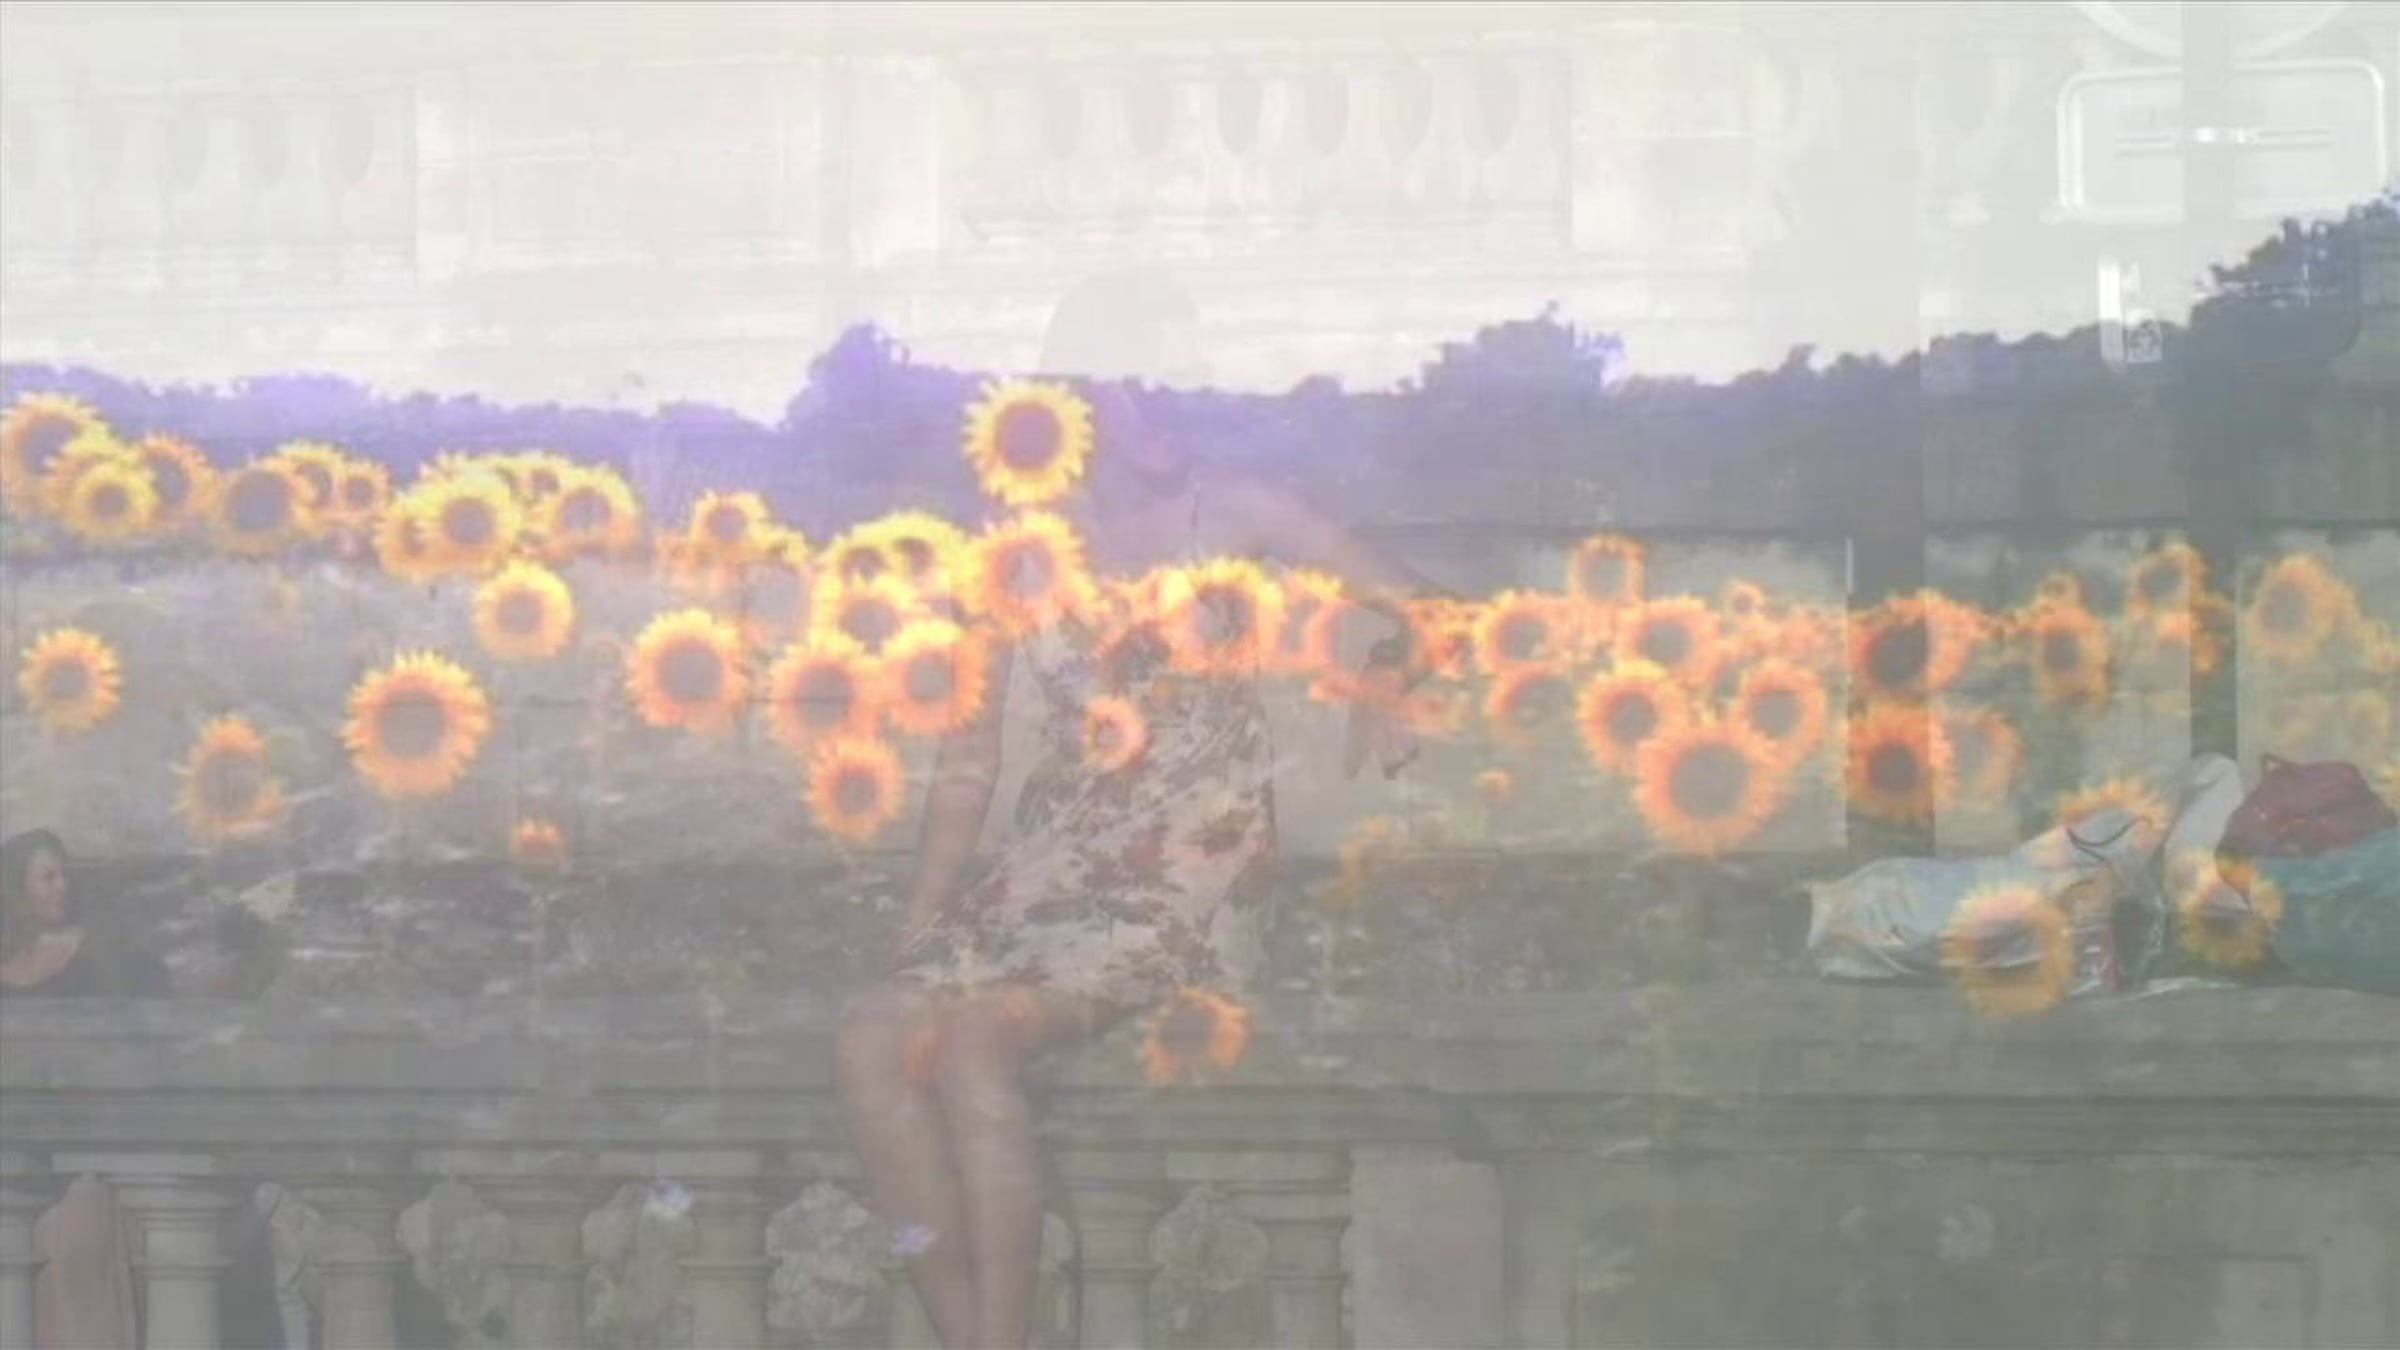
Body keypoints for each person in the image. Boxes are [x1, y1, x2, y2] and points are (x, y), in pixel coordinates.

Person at [834, 270, 1443, 1350]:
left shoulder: (1235, 508)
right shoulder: (1016, 539)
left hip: (1192, 861)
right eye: (1138, 383)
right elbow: (967, 753)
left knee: (974, 1042)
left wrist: (1387, 676)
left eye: (1182, 381)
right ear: (1080, 397)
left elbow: (1429, 606)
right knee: (868, 1043)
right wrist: (920, 923)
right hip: (1054, 860)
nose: (1167, 405)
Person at [1, 828, 173, 1350]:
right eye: (47, 877)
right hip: (15, 1147)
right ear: (15, 890)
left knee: (77, 1274)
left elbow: (136, 1041)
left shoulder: (98, 955)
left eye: (64, 875)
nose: (62, 887)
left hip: (82, 1155)